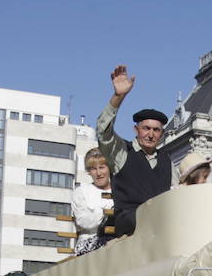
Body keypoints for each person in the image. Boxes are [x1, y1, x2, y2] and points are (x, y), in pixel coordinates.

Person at [97, 64, 171, 238]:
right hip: (128, 225)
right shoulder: (122, 152)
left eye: (156, 130)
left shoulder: (167, 161)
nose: (151, 134)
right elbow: (103, 131)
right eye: (146, 128)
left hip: (159, 229)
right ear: (136, 130)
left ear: (162, 134)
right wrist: (118, 96)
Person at [72, 148, 112, 255]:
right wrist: (108, 214)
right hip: (89, 244)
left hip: (118, 243)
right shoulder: (81, 192)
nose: (98, 173)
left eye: (102, 167)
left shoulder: (121, 191)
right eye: (93, 169)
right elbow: (84, 221)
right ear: (89, 172)